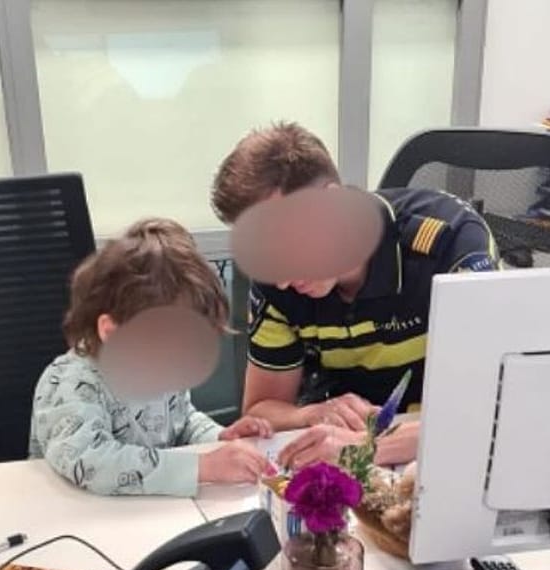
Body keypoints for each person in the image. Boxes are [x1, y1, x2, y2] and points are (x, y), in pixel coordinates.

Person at [210, 121, 501, 470]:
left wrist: (364, 450)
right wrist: (311, 413)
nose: (282, 279)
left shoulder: (450, 243)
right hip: (337, 463)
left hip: (439, 459)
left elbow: (492, 409)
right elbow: (261, 408)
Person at [30, 218, 272, 496]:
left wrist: (219, 438)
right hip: (74, 519)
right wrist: (203, 466)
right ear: (111, 331)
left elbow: (182, 420)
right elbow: (91, 461)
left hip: (149, 513)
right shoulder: (70, 383)